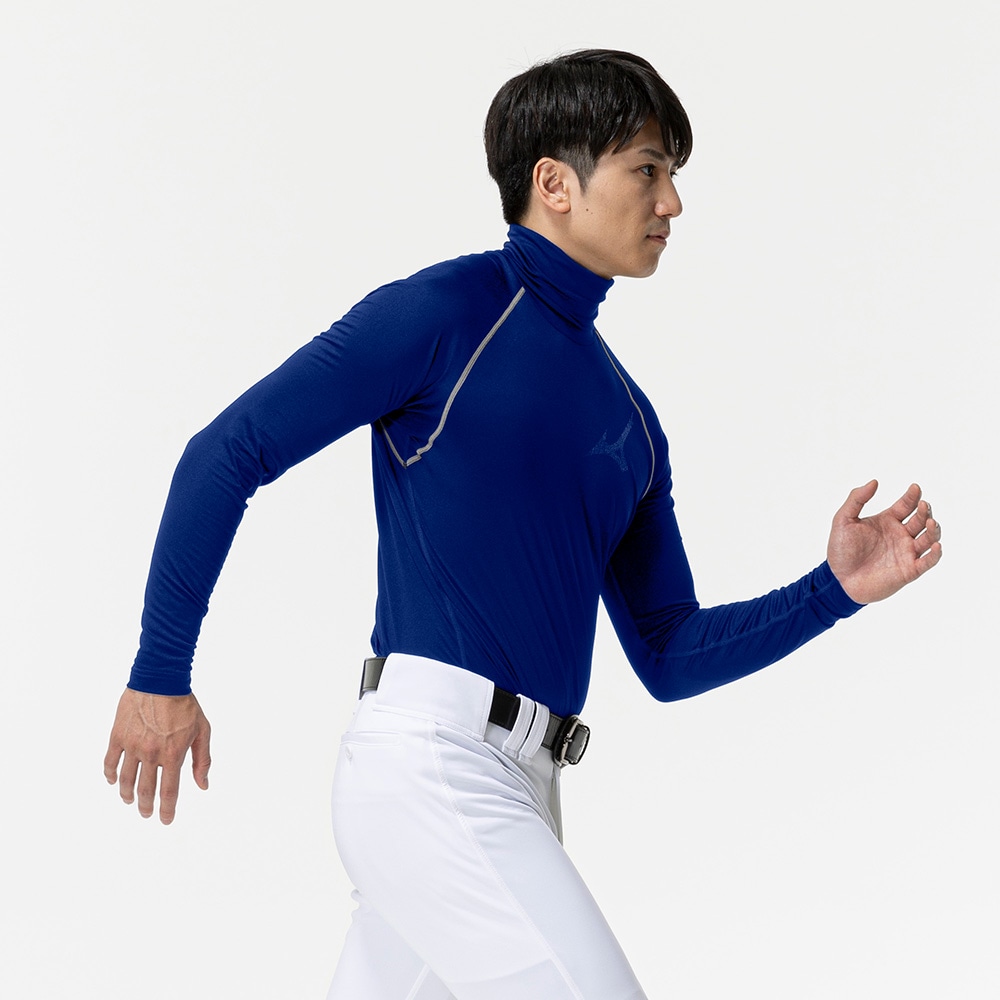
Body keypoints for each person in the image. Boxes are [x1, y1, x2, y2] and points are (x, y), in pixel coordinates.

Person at [104, 49, 942, 999]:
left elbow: (668, 653)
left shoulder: (631, 420)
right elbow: (227, 453)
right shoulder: (443, 315)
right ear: (554, 184)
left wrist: (832, 592)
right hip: (433, 768)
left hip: (523, 788)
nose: (671, 204)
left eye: (672, 176)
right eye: (648, 170)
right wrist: (160, 672)